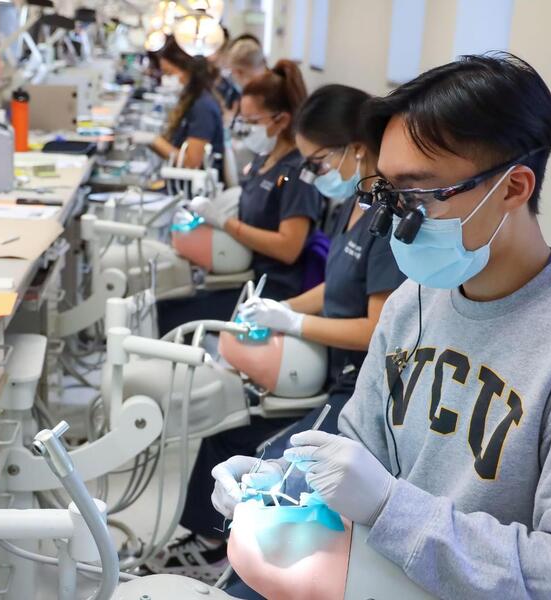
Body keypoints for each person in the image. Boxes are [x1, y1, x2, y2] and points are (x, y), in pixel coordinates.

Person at [211, 53, 551, 599]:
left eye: (418, 196)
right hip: (375, 572)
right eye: (389, 195)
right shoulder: (414, 300)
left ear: (513, 188)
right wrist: (284, 482)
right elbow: (359, 446)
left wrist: (393, 508)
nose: (397, 222)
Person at [146, 84, 406, 586]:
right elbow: (336, 284)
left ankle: (242, 574)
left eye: (318, 160)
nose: (312, 173)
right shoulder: (351, 204)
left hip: (354, 387)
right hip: (327, 361)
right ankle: (206, 544)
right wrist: (281, 308)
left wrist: (297, 324)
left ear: (356, 148)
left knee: (270, 474)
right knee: (223, 439)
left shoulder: (386, 221)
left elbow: (379, 327)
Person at [157, 59, 321, 335]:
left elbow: (288, 248)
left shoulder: (297, 174)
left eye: (252, 121)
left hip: (269, 290)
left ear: (281, 120)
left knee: (170, 317)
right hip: (241, 272)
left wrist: (224, 223)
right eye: (242, 120)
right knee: (165, 296)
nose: (244, 127)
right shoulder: (262, 160)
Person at [133, 36, 225, 173]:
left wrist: (154, 141)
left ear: (187, 69)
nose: (165, 79)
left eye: (169, 73)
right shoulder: (191, 100)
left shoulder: (202, 107)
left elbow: (191, 162)